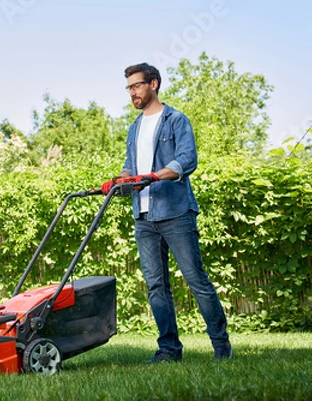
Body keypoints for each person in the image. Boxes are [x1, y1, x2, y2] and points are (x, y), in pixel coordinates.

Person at [101, 62, 231, 362]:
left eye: (137, 86)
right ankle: (169, 350)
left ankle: (221, 346)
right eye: (129, 87)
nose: (132, 92)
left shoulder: (176, 120)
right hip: (144, 217)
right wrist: (121, 179)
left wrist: (156, 175)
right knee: (156, 286)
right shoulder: (134, 128)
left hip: (175, 212)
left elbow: (187, 159)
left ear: (154, 84)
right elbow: (131, 168)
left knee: (196, 279)